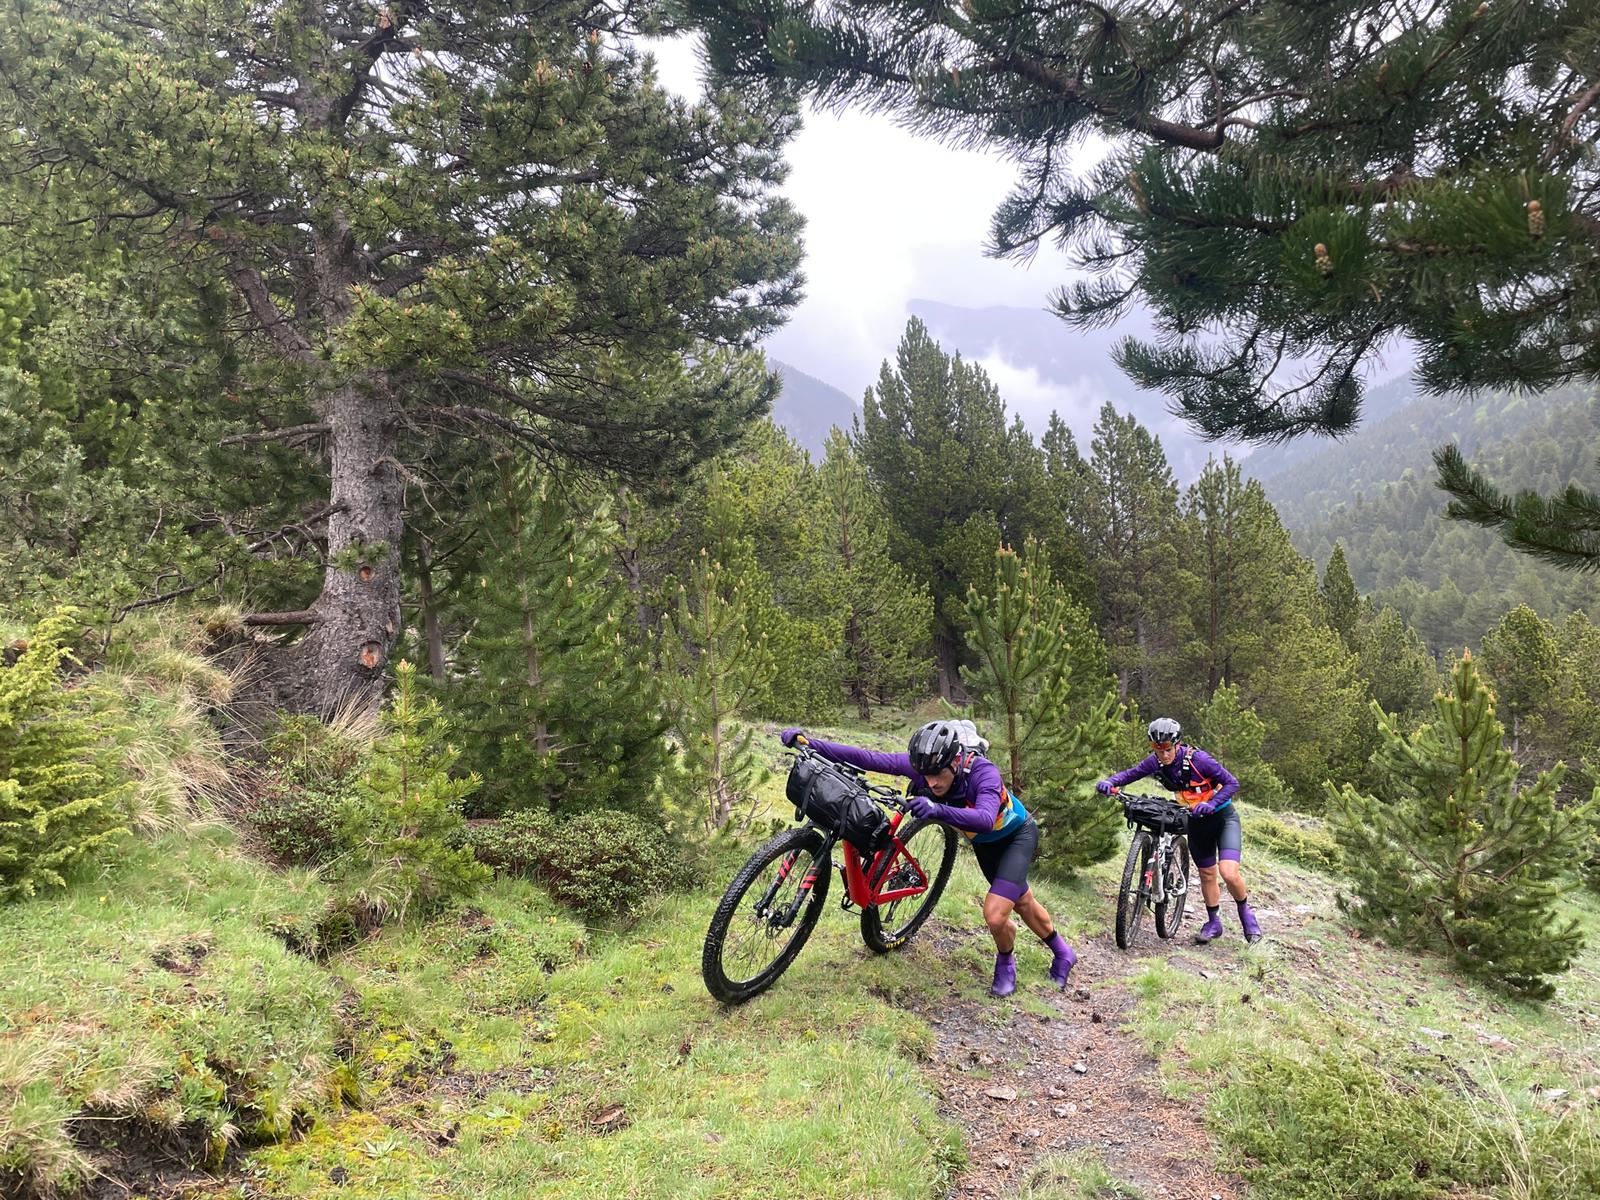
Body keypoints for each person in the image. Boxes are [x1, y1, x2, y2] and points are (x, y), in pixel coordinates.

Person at [779, 721, 1077, 997]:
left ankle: (1005, 960)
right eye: (927, 775)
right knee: (1022, 901)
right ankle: (1063, 952)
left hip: (1015, 837)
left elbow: (985, 818)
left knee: (996, 914)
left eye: (939, 775)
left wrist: (937, 810)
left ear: (956, 762)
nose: (932, 782)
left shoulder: (984, 773)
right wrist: (810, 742)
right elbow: (868, 757)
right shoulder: (924, 767)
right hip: (984, 844)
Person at [1097, 717, 1263, 945]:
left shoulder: (1199, 760)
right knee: (1207, 874)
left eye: (1167, 749)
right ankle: (1213, 923)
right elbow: (1132, 773)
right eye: (1158, 749)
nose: (1163, 754)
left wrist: (1212, 804)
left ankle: (1247, 918)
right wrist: (1110, 781)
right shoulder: (1155, 762)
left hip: (1223, 819)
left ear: (1176, 744)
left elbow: (1232, 783)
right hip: (1196, 821)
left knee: (1229, 873)